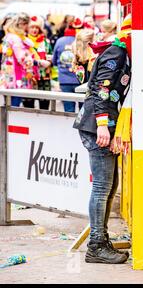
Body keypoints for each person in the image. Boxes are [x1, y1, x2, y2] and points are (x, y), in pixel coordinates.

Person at [73, 14, 132, 264]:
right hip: (98, 126)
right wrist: (102, 126)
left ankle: (101, 239)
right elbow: (101, 90)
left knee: (109, 186)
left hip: (104, 125)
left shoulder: (121, 53)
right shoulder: (116, 53)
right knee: (102, 187)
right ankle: (96, 245)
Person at [0, 13, 50, 107]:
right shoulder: (16, 39)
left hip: (8, 76)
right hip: (16, 77)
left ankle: (7, 120)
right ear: (23, 24)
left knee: (8, 104)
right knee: (13, 105)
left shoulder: (9, 36)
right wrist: (39, 62)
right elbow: (22, 58)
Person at [52, 19, 81, 112]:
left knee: (68, 109)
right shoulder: (80, 41)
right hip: (80, 80)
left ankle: (68, 126)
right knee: (82, 110)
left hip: (64, 80)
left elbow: (54, 61)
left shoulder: (59, 41)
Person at [27, 15, 52, 110]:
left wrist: (49, 62)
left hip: (44, 77)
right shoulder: (24, 42)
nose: (34, 30)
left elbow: (50, 55)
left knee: (44, 105)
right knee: (28, 105)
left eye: (37, 27)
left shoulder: (45, 42)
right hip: (30, 77)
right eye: (32, 27)